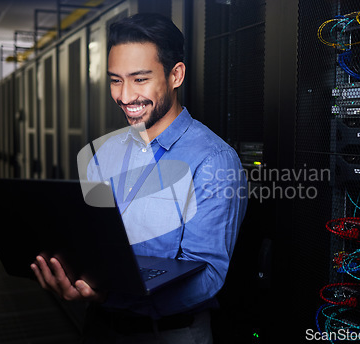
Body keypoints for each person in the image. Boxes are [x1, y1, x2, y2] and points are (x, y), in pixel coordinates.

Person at [31, 13, 247, 343]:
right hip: (99, 327)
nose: (125, 96)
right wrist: (67, 270)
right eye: (115, 80)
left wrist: (107, 295)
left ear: (175, 75)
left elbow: (207, 276)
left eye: (139, 79)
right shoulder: (102, 155)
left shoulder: (213, 160)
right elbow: (91, 243)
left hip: (170, 334)